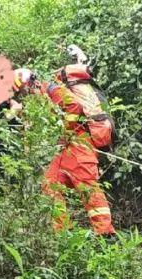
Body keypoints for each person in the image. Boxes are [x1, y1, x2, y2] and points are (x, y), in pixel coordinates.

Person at [41, 67, 116, 236]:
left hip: (80, 144)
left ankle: (105, 232)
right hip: (69, 148)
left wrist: (66, 132)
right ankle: (60, 233)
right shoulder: (52, 88)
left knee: (88, 188)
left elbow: (73, 106)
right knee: (50, 183)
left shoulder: (49, 87)